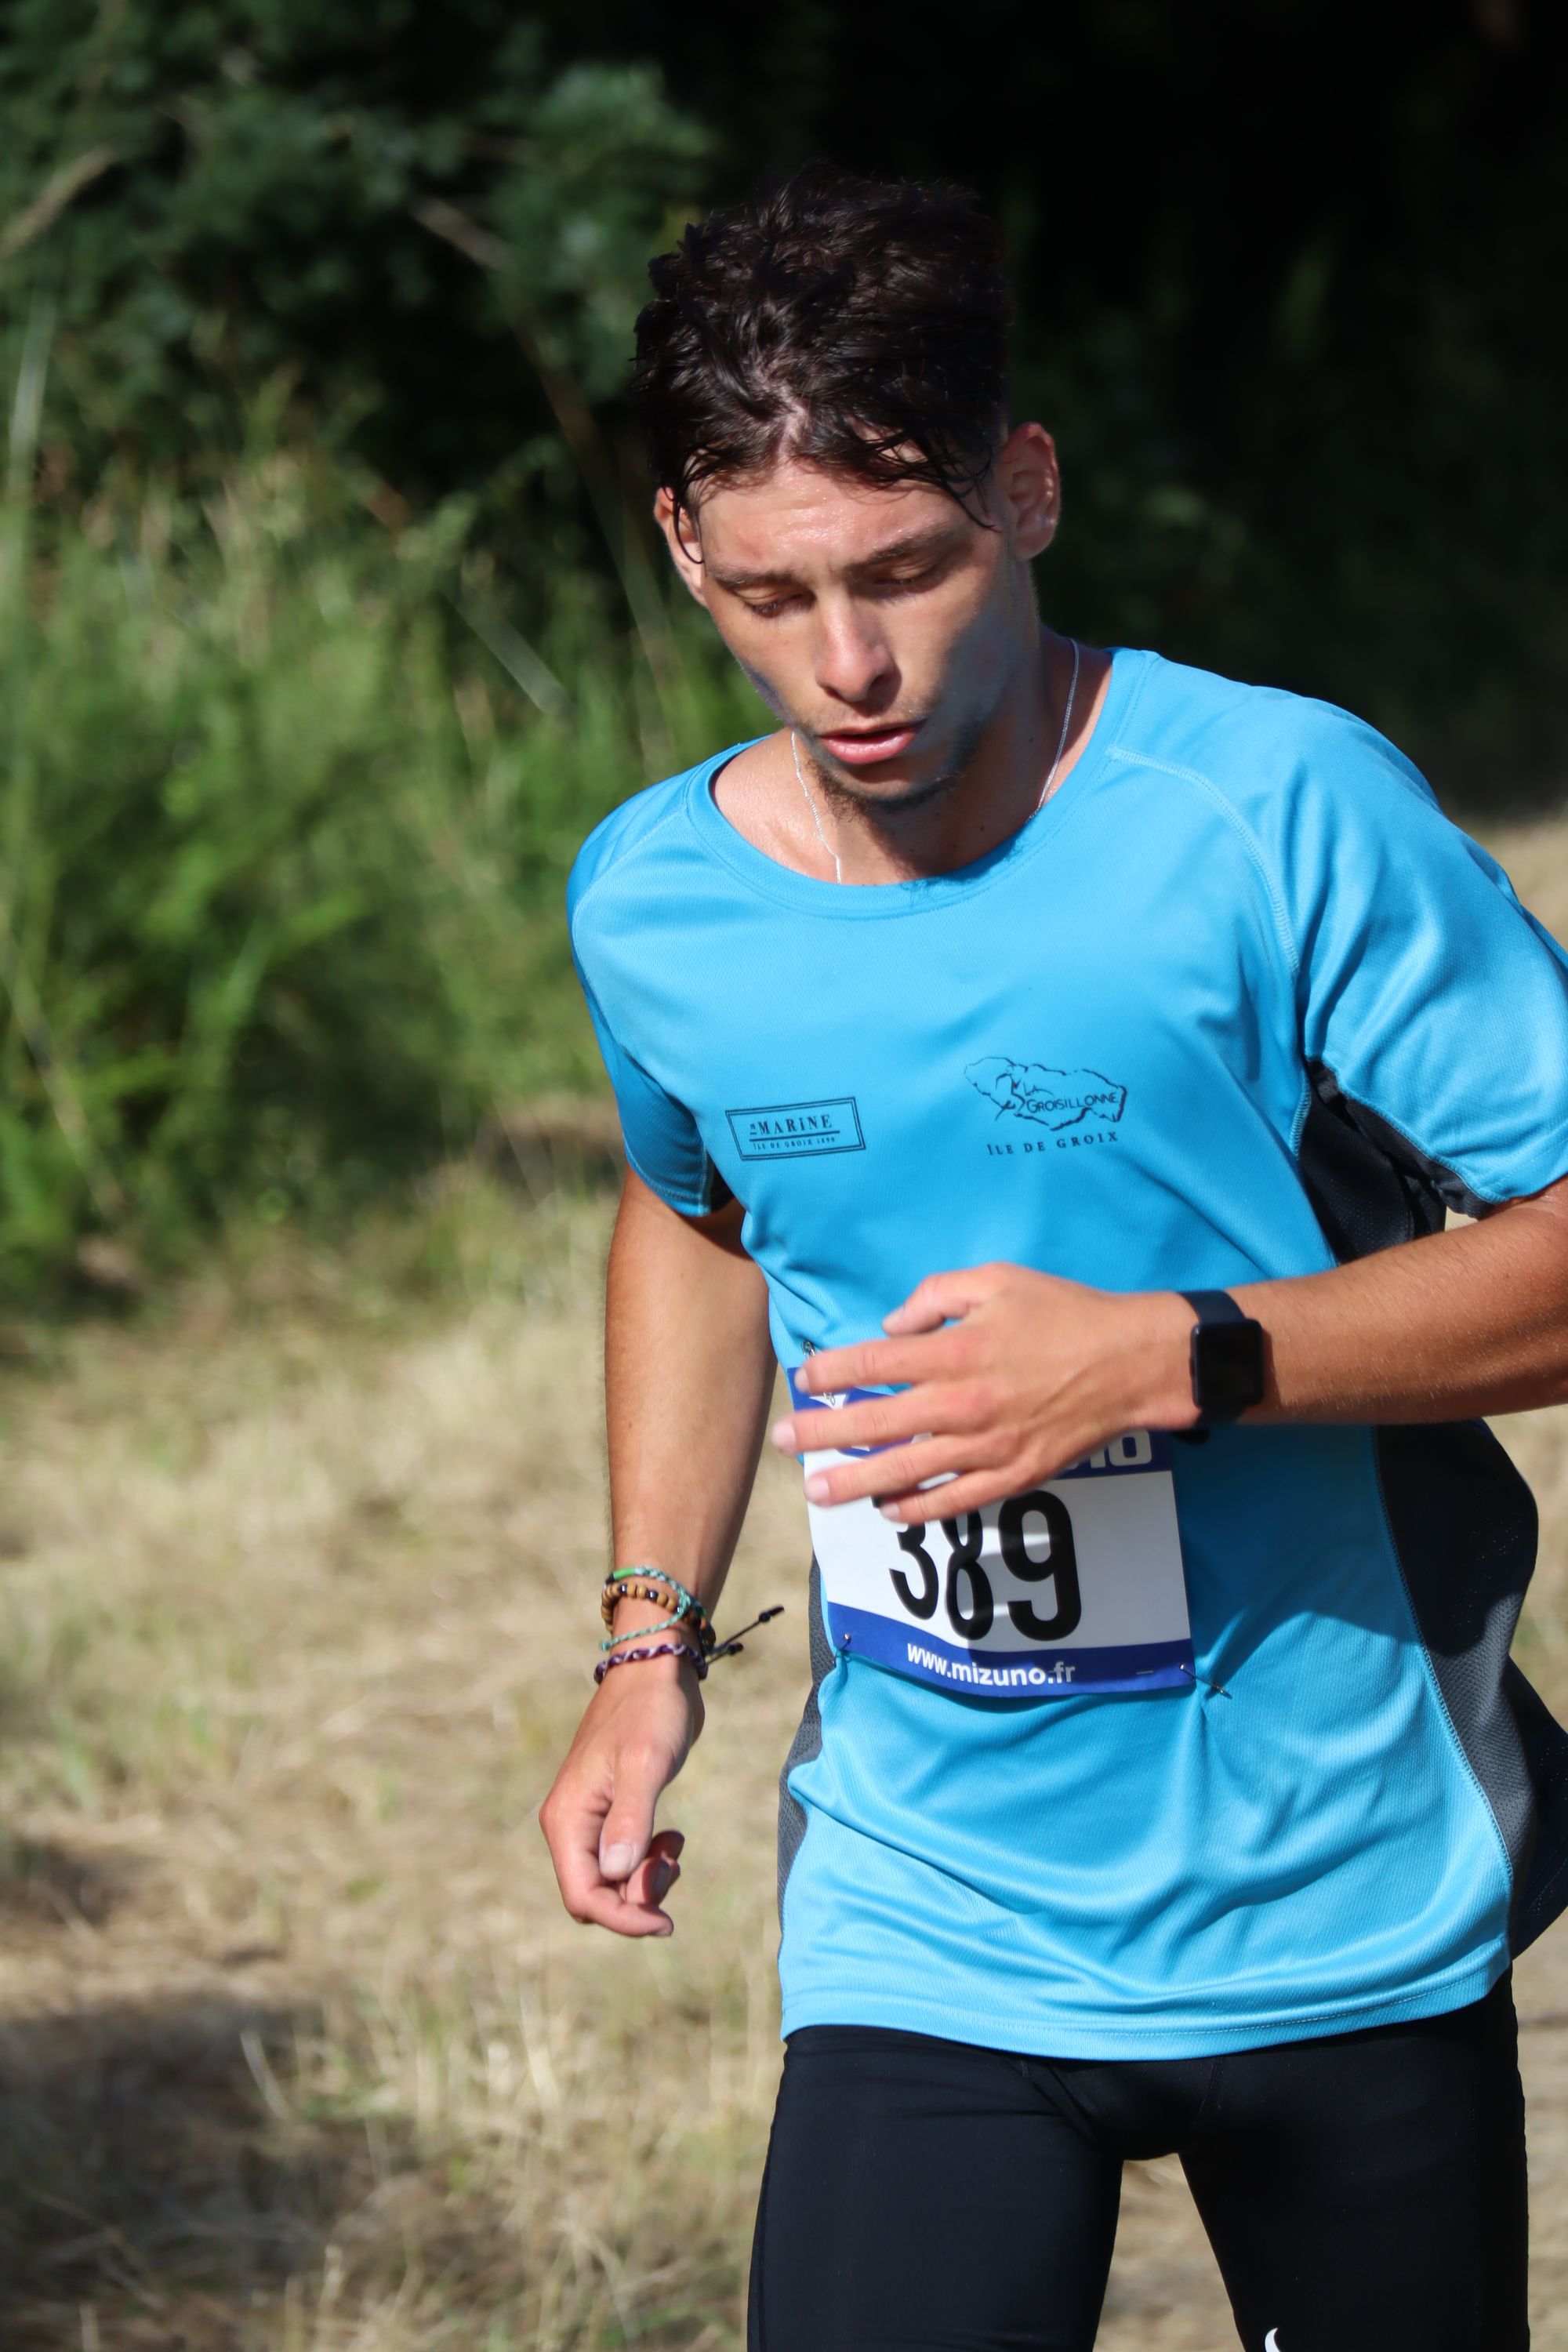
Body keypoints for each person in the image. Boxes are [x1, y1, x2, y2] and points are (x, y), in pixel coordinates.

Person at [539, 163, 1568, 2351]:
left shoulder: (1275, 812)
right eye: (770, 594)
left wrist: (1173, 1356)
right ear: (684, 551)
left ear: (1025, 491)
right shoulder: (653, 899)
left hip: (1337, 1885)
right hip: (927, 1909)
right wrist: (650, 1641)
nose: (849, 665)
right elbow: (696, 1212)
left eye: (906, 569)